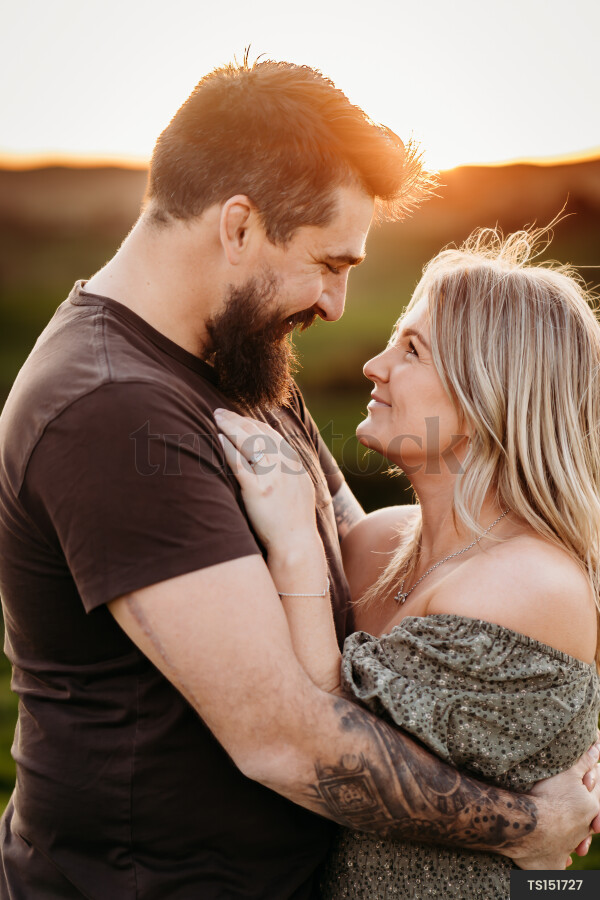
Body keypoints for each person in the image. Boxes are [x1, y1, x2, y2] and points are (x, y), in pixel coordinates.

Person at [0, 57, 598, 899]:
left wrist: (555, 712)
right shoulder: (111, 409)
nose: (339, 305)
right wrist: (531, 822)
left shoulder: (240, 364)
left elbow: (356, 558)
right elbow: (281, 739)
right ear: (239, 226)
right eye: (330, 262)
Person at [216, 226, 600, 897]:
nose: (374, 364)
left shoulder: (531, 584)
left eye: (413, 350)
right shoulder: (379, 542)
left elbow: (332, 750)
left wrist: (300, 549)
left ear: (491, 394)